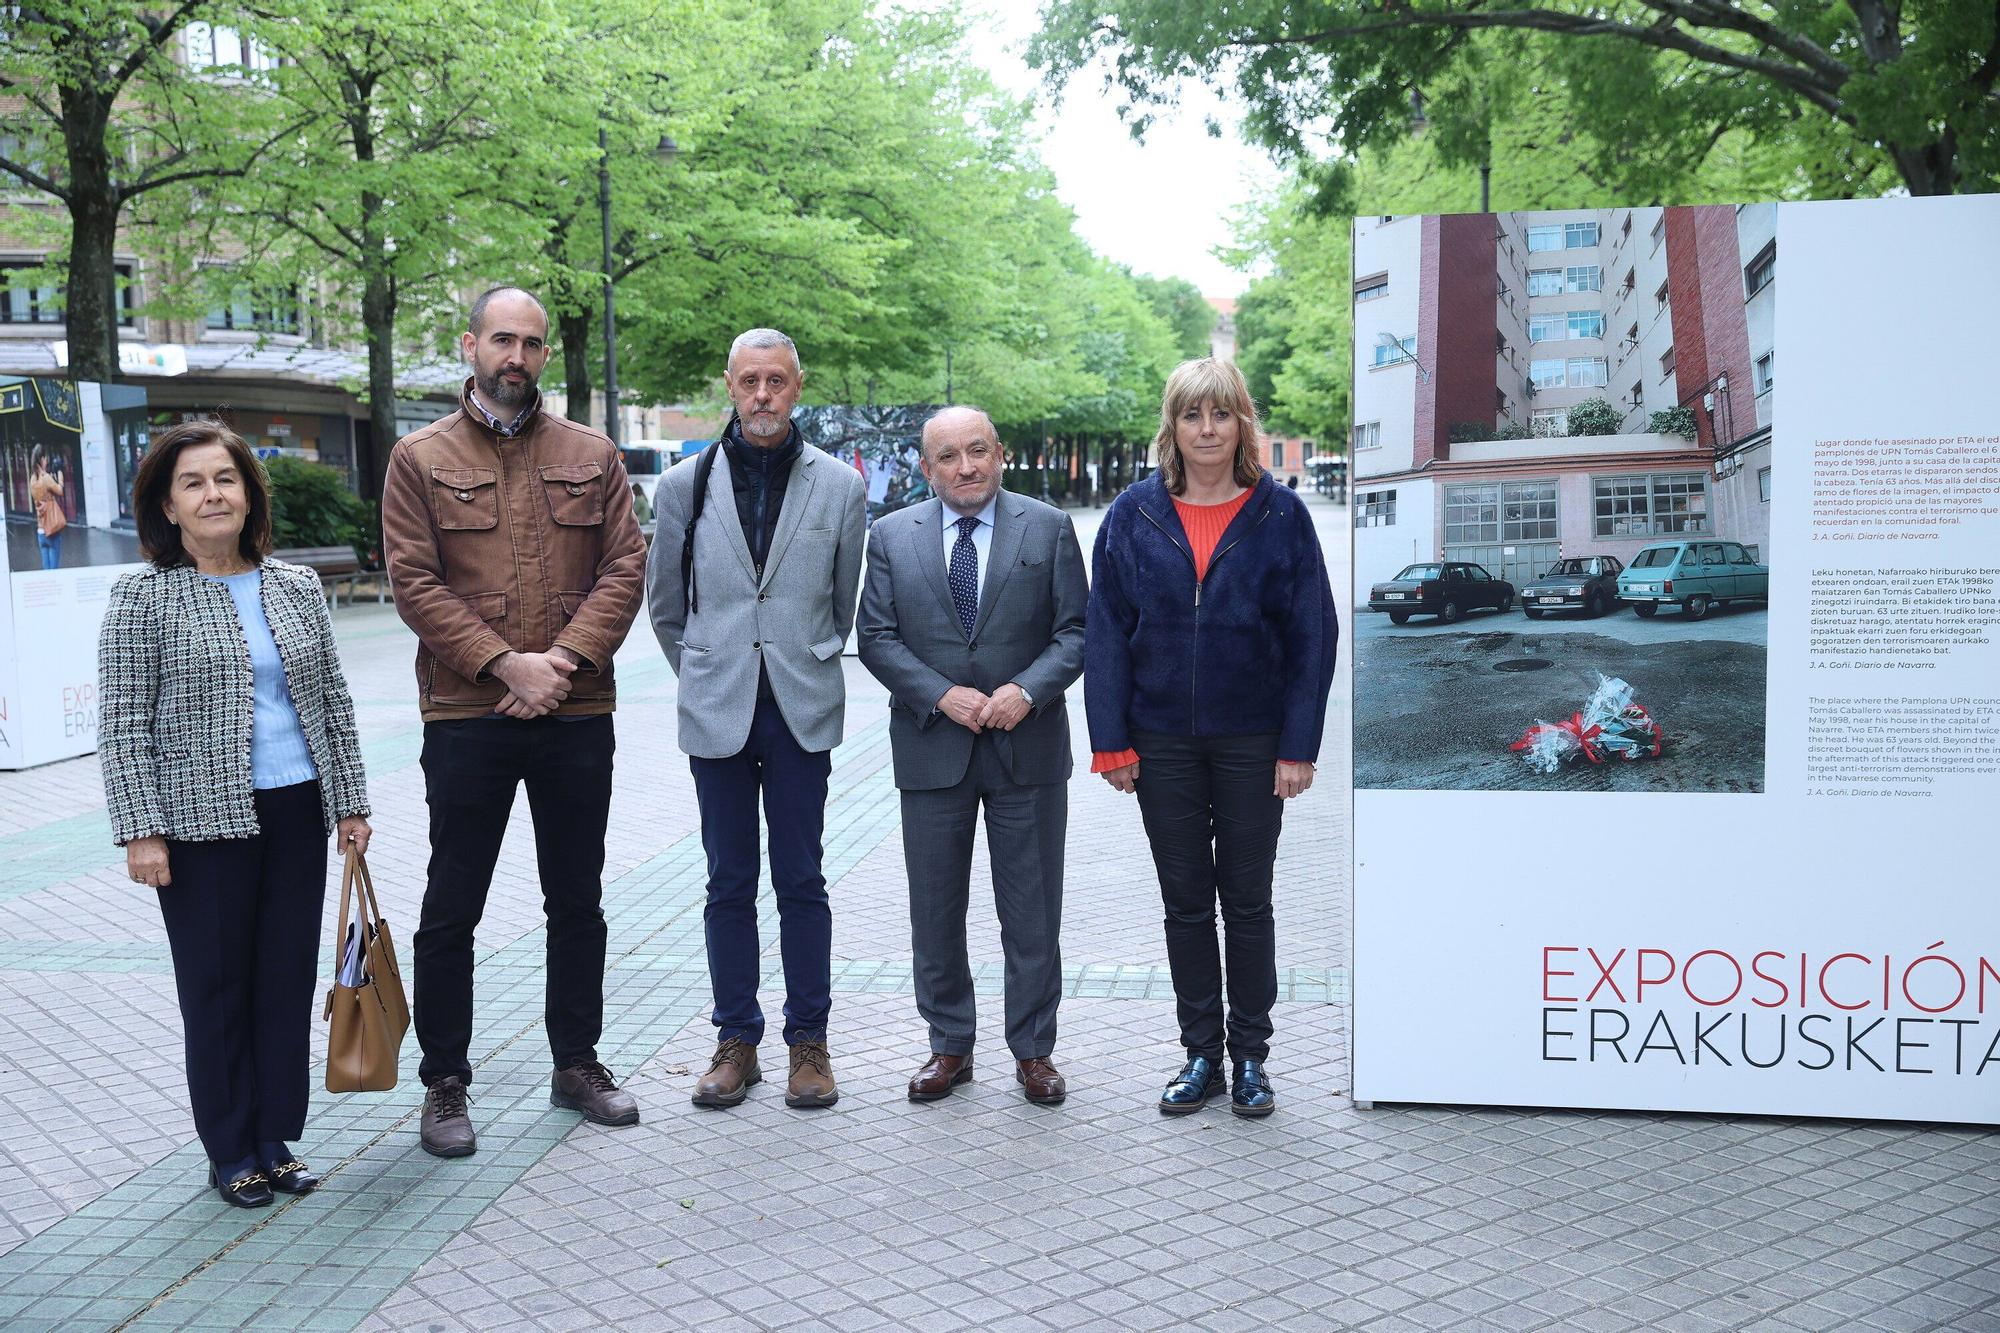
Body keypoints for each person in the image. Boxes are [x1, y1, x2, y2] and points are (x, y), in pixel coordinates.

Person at [382, 285, 648, 1157]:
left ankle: (576, 1062)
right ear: (470, 345)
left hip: (576, 711)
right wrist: (506, 664)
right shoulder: (418, 458)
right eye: (504, 340)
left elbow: (624, 567)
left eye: (533, 344)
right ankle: (445, 1082)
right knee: (452, 903)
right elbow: (414, 583)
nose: (518, 358)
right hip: (467, 711)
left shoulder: (592, 453)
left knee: (578, 897)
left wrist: (561, 664)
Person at [96, 420, 372, 1207]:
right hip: (196, 824)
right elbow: (122, 722)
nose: (212, 493)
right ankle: (229, 1146)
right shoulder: (143, 595)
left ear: (249, 492)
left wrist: (350, 800)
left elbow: (331, 700)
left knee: (284, 980)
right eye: (193, 482)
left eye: (225, 478)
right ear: (167, 506)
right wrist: (141, 829)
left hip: (296, 810)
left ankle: (276, 1137)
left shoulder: (293, 586)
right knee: (216, 988)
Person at [1084, 357, 1337, 1119]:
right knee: (1186, 900)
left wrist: (1298, 745)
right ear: (1173, 425)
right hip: (1160, 740)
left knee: (1248, 901)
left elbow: (1312, 635)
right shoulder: (1133, 514)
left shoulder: (1280, 514)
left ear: (1241, 423)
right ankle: (1201, 1051)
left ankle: (1252, 1055)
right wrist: (1111, 742)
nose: (1206, 430)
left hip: (1253, 741)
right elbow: (1105, 634)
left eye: (1220, 414)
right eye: (1192, 415)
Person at [646, 329, 866, 1110]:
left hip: (800, 707)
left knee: (801, 878)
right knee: (727, 881)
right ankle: (737, 1038)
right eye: (750, 381)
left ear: (798, 385)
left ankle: (810, 1041)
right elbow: (667, 606)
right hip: (719, 711)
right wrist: (710, 671)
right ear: (730, 387)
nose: (763, 395)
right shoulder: (682, 485)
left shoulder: (840, 487)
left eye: (777, 380)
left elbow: (842, 601)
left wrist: (795, 657)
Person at [856, 407, 1087, 1105]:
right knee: (935, 908)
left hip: (1028, 746)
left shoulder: (1046, 528)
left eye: (978, 451)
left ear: (1000, 453)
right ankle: (949, 1044)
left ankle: (1035, 1050)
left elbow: (1076, 631)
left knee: (1031, 910)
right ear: (927, 468)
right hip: (933, 748)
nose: (966, 467)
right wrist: (940, 695)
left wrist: (1027, 689)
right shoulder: (892, 536)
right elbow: (877, 637)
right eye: (949, 456)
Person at [30, 448, 64, 569]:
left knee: (46, 570)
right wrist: (60, 473)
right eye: (45, 458)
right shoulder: (46, 478)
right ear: (42, 459)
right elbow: (60, 491)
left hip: (40, 531)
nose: (47, 461)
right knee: (54, 571)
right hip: (52, 530)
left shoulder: (32, 479)